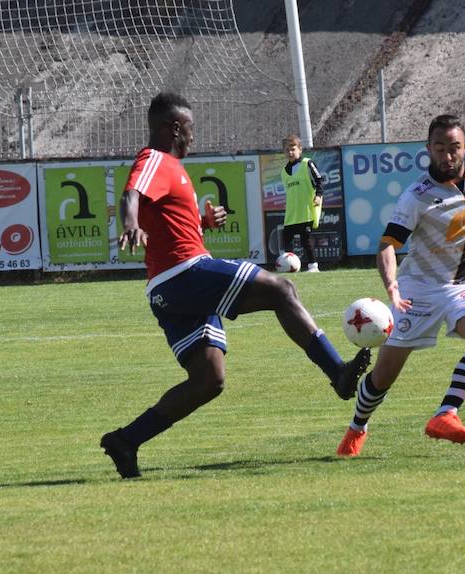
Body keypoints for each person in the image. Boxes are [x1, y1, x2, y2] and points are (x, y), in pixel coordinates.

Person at [101, 92, 371, 478]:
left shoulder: (173, 168)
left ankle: (126, 440)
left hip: (167, 288)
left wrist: (204, 223)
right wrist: (129, 221)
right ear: (175, 128)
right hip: (183, 274)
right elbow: (132, 192)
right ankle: (338, 374)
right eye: (190, 128)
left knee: (209, 380)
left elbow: (171, 225)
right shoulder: (155, 159)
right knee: (283, 290)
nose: (194, 136)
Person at [336, 114, 465, 457]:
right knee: (384, 376)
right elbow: (388, 244)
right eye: (439, 148)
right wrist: (392, 286)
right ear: (428, 150)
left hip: (461, 283)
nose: (447, 156)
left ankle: (445, 414)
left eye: (454, 148)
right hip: (416, 289)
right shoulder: (416, 196)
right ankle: (357, 427)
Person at [280, 134, 324, 272]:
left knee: (306, 240)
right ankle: (289, 267)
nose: (290, 152)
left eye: (293, 149)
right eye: (287, 150)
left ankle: (313, 266)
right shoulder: (284, 171)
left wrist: (318, 195)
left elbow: (319, 180)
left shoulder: (307, 163)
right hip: (292, 213)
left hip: (306, 211)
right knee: (286, 239)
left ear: (300, 149)